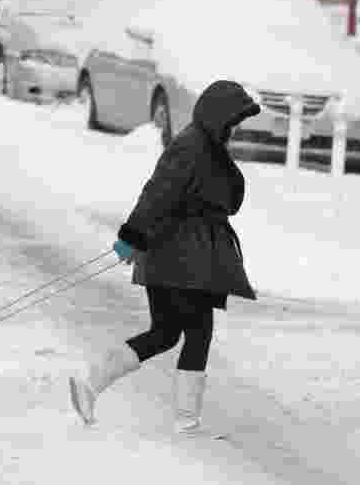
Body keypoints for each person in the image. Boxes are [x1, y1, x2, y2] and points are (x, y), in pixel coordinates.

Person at [69, 80, 261, 433]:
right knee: (197, 331)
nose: (236, 129)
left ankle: (91, 382)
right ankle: (186, 420)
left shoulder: (206, 146)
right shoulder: (192, 148)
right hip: (184, 255)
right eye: (234, 121)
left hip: (177, 254)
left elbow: (231, 199)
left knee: (165, 332)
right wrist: (131, 235)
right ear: (219, 118)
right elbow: (158, 192)